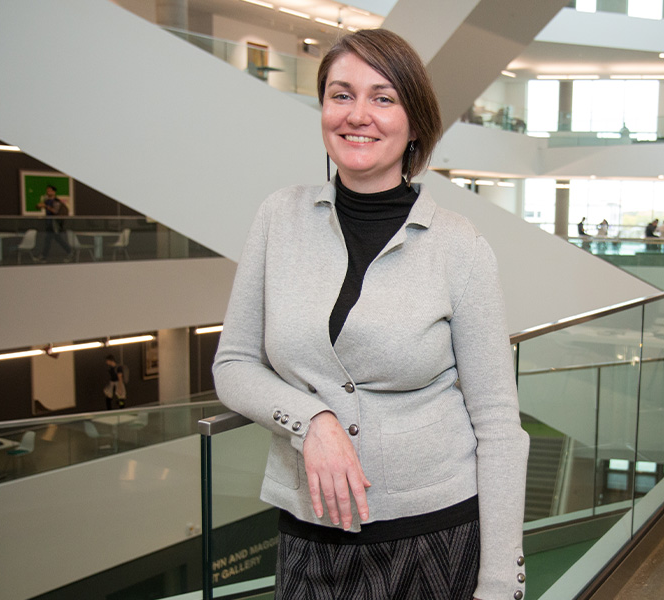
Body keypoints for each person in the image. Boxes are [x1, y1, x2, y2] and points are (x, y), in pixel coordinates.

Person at [213, 29, 529, 600]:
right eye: (341, 95)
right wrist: (312, 420)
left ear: (415, 122)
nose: (358, 115)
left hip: (437, 538)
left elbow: (499, 424)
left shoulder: (459, 246)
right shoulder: (278, 218)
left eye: (383, 98)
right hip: (311, 533)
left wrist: (502, 582)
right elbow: (233, 364)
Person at [33, 184, 73, 262]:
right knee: (51, 240)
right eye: (47, 190)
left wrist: (46, 206)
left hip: (54, 224)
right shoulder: (46, 201)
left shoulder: (56, 201)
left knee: (52, 240)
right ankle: (69, 252)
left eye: (50, 190)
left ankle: (44, 256)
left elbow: (55, 211)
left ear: (54, 192)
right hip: (49, 223)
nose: (48, 192)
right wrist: (39, 206)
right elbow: (39, 207)